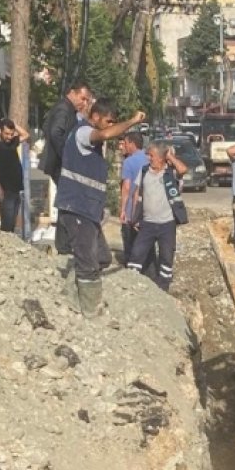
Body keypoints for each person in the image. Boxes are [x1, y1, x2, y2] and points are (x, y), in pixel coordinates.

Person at [55, 100, 146, 315]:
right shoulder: (84, 133)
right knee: (87, 260)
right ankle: (89, 309)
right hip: (77, 206)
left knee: (103, 257)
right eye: (108, 121)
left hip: (88, 210)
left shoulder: (91, 141)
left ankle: (71, 291)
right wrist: (132, 121)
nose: (111, 125)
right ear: (95, 117)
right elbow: (104, 135)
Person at [128, 141, 189, 291]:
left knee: (166, 257)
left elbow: (183, 169)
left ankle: (163, 288)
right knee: (137, 253)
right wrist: (135, 216)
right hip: (147, 223)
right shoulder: (144, 171)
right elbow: (137, 194)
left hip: (167, 224)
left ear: (161, 158)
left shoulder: (170, 173)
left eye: (152, 155)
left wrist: (170, 156)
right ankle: (131, 284)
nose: (149, 158)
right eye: (148, 155)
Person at [41, 82, 93, 254]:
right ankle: (64, 245)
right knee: (69, 203)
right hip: (60, 164)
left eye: (87, 100)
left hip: (59, 163)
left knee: (67, 202)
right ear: (72, 93)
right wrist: (67, 157)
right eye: (82, 98)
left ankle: (64, 244)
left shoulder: (67, 109)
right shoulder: (64, 108)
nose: (84, 103)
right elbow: (55, 132)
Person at [0, 118, 29, 233]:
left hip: (15, 189)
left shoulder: (12, 143)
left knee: (12, 224)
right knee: (7, 225)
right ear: (0, 131)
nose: (9, 137)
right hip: (5, 190)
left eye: (11, 134)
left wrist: (13, 123)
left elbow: (25, 134)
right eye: (6, 134)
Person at [118, 132, 155, 270]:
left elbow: (127, 187)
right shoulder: (149, 160)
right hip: (148, 211)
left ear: (132, 144)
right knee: (147, 245)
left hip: (131, 212)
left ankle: (132, 271)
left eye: (126, 143)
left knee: (130, 245)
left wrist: (123, 210)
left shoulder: (129, 162)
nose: (124, 146)